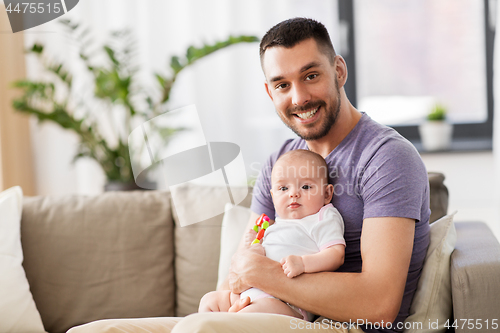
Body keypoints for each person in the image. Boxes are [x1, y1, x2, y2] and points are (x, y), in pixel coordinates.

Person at [68, 17, 430, 333]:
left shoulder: (387, 157)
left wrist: (262, 276)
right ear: (269, 90)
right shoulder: (280, 163)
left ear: (338, 70)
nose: (299, 97)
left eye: (311, 75)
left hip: (334, 325)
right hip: (257, 311)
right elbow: (244, 262)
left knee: (200, 329)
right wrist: (232, 292)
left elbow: (380, 305)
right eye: (282, 84)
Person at [198, 149, 346, 322]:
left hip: (286, 302)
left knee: (245, 318)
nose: (293, 194)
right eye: (283, 188)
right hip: (249, 293)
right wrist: (251, 246)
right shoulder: (276, 224)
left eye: (305, 186)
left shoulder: (323, 216)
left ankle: (229, 322)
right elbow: (252, 261)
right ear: (273, 197)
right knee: (208, 301)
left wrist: (303, 263)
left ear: (327, 194)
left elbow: (336, 254)